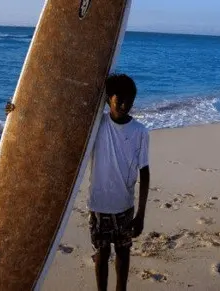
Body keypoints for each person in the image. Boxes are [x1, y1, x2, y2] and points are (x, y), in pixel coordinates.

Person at [87, 73, 150, 291]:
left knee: (123, 254)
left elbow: (145, 173)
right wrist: (17, 110)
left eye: (129, 101)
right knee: (101, 255)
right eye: (118, 100)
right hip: (98, 206)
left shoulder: (140, 132)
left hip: (125, 207)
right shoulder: (96, 125)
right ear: (108, 100)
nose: (124, 105)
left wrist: (140, 214)